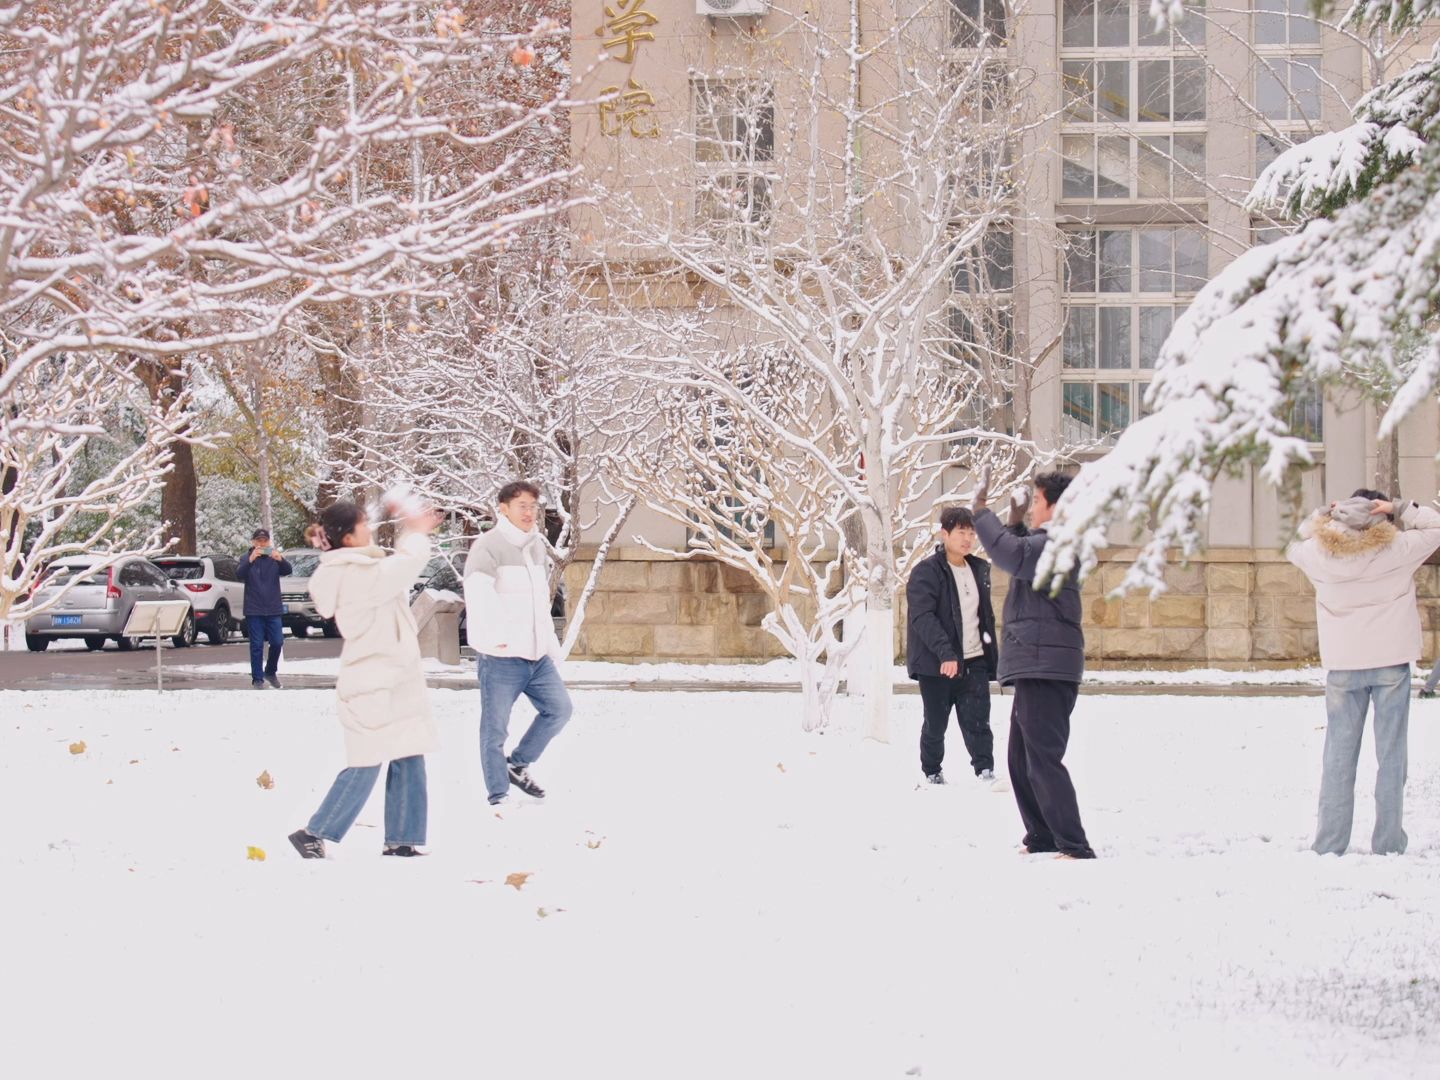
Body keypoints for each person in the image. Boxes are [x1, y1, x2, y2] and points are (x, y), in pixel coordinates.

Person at [1285, 489, 1440, 856]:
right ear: (1380, 514)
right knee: (1391, 756)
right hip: (1391, 663)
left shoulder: (1318, 553)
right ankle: (1387, 843)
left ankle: (1330, 842)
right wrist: (1401, 508)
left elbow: (1290, 541)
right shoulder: (1398, 549)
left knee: (1337, 754)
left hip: (1343, 665)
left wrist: (1324, 514)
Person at [287, 499, 441, 859]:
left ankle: (403, 838)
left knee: (408, 751)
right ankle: (314, 832)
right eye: (363, 526)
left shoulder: (358, 565)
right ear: (349, 538)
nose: (369, 530)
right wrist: (416, 532)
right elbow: (405, 566)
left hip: (392, 677)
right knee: (367, 760)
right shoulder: (352, 574)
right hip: (372, 681)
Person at [973, 471, 1095, 860]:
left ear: (1056, 506)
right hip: (1037, 662)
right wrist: (1013, 522)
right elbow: (1023, 547)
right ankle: (1041, 835)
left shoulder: (1061, 543)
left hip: (1048, 665)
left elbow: (1015, 555)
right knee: (1021, 757)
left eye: (1037, 502)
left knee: (1042, 756)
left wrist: (982, 515)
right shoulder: (1048, 543)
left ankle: (1074, 844)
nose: (1033, 508)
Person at [463, 481, 572, 807]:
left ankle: (518, 763)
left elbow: (540, 603)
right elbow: (480, 599)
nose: (529, 512)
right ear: (504, 509)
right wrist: (500, 639)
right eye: (521, 505)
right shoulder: (487, 546)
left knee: (559, 710)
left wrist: (550, 646)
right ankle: (499, 794)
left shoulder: (536, 546)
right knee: (494, 731)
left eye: (533, 506)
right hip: (501, 657)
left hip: (536, 656)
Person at [905, 506, 999, 784]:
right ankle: (932, 770)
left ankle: (985, 769)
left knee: (978, 720)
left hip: (974, 660)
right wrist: (946, 653)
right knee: (936, 723)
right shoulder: (926, 572)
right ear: (945, 534)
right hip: (937, 663)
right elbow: (923, 617)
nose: (968, 538)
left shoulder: (979, 568)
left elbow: (982, 617)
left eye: (972, 533)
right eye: (961, 532)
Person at [235, 527, 293, 689]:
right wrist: (250, 560)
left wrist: (280, 559)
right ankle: (257, 679)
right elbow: (239, 574)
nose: (262, 543)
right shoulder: (246, 557)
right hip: (254, 608)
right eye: (259, 541)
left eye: (264, 541)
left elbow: (288, 570)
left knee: (277, 642)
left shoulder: (274, 557)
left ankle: (270, 671)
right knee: (257, 645)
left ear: (269, 541)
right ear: (253, 542)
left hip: (273, 607)